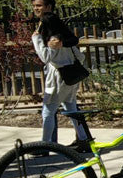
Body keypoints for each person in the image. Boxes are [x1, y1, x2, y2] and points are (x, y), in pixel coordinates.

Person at [32, 8, 89, 148]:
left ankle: (45, 144)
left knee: (48, 111)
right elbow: (80, 57)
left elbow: (45, 57)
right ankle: (84, 139)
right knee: (71, 108)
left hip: (58, 78)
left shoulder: (53, 40)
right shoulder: (65, 38)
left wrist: (36, 38)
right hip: (71, 77)